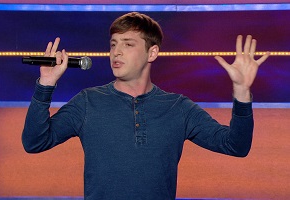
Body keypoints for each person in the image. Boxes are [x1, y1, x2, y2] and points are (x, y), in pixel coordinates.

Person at [22, 12, 269, 200]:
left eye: (128, 44)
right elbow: (34, 142)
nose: (116, 52)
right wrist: (46, 84)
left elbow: (236, 146)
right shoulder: (87, 102)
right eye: (113, 44)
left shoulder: (178, 108)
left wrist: (241, 91)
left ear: (152, 53)